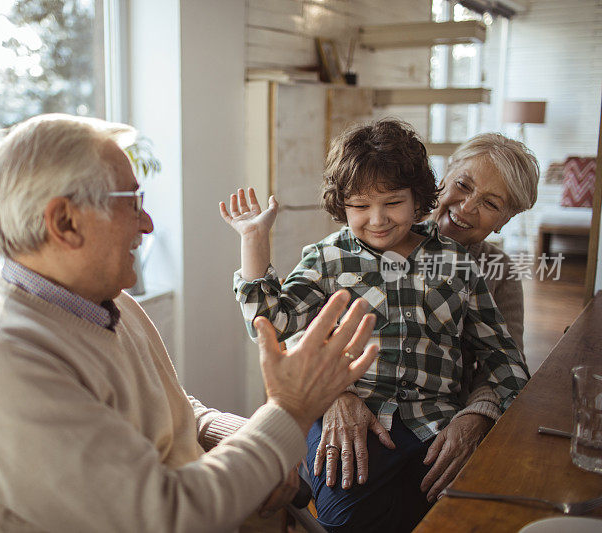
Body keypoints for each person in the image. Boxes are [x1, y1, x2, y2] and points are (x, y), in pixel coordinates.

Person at [0, 113, 381, 533]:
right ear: (65, 221)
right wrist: (288, 412)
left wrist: (245, 436)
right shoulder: (0, 364)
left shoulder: (104, 303)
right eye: (131, 202)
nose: (147, 223)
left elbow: (175, 411)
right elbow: (164, 517)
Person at [219, 119, 530, 532]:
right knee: (344, 518)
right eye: (361, 206)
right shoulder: (327, 258)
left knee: (459, 514)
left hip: (434, 421)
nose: (378, 219)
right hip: (357, 417)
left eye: (392, 203)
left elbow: (504, 358)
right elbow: (273, 326)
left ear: (419, 196)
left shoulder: (462, 264)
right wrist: (253, 241)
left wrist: (480, 414)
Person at [314, 132, 540, 510]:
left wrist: (475, 418)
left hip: (441, 424)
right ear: (443, 178)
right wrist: (337, 394)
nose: (467, 207)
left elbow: (503, 363)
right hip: (357, 408)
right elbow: (302, 334)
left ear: (505, 220)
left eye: (490, 203)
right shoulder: (374, 231)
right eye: (463, 185)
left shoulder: (497, 271)